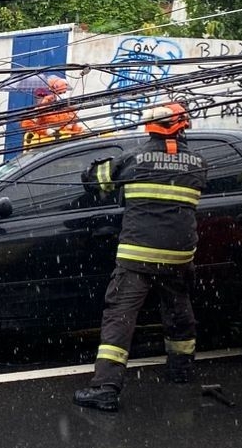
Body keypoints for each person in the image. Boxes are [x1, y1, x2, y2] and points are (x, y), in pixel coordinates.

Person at [73, 101, 207, 413]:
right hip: (179, 256)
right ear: (183, 126)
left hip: (137, 256)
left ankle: (106, 387)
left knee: (120, 316)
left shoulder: (132, 158)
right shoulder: (199, 162)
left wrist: (100, 168)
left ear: (150, 126)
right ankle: (181, 369)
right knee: (179, 312)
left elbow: (95, 181)